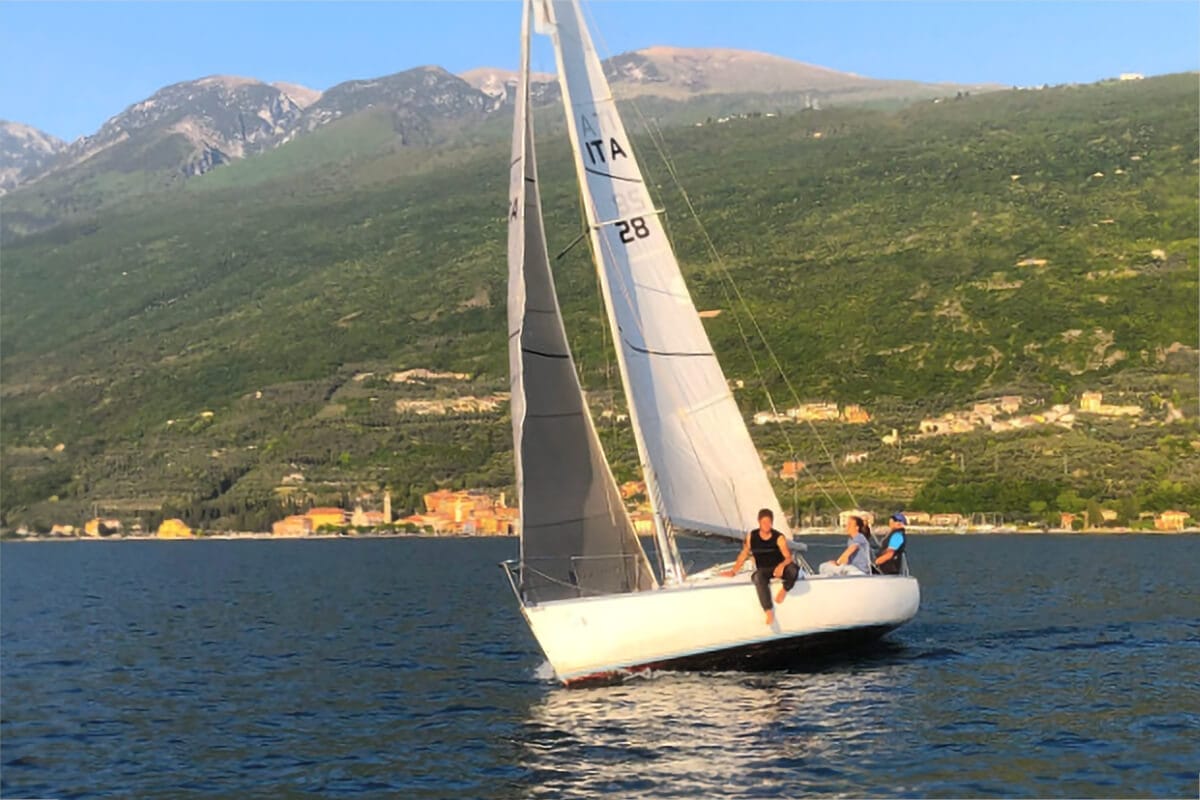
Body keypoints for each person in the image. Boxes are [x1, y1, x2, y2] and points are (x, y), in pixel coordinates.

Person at [722, 508, 800, 625]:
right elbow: (744, 554)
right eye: (764, 522)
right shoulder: (752, 536)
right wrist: (733, 571)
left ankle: (785, 589)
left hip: (778, 568)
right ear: (759, 522)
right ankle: (768, 610)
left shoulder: (779, 537)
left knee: (793, 570)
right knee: (758, 577)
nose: (767, 525)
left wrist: (781, 566)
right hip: (764, 570)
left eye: (769, 522)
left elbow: (788, 557)